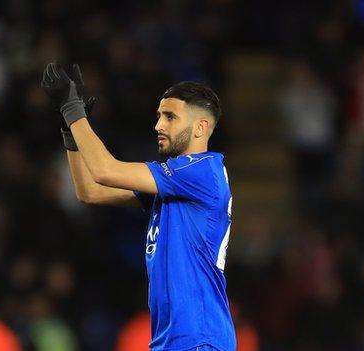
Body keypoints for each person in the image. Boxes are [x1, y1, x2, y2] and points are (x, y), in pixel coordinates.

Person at [41, 62, 236, 351]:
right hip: (173, 340)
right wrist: (72, 134)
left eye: (170, 117)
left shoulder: (201, 172)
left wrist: (73, 110)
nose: (158, 125)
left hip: (200, 338)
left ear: (200, 127)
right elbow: (90, 191)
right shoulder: (176, 183)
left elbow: (105, 170)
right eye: (159, 116)